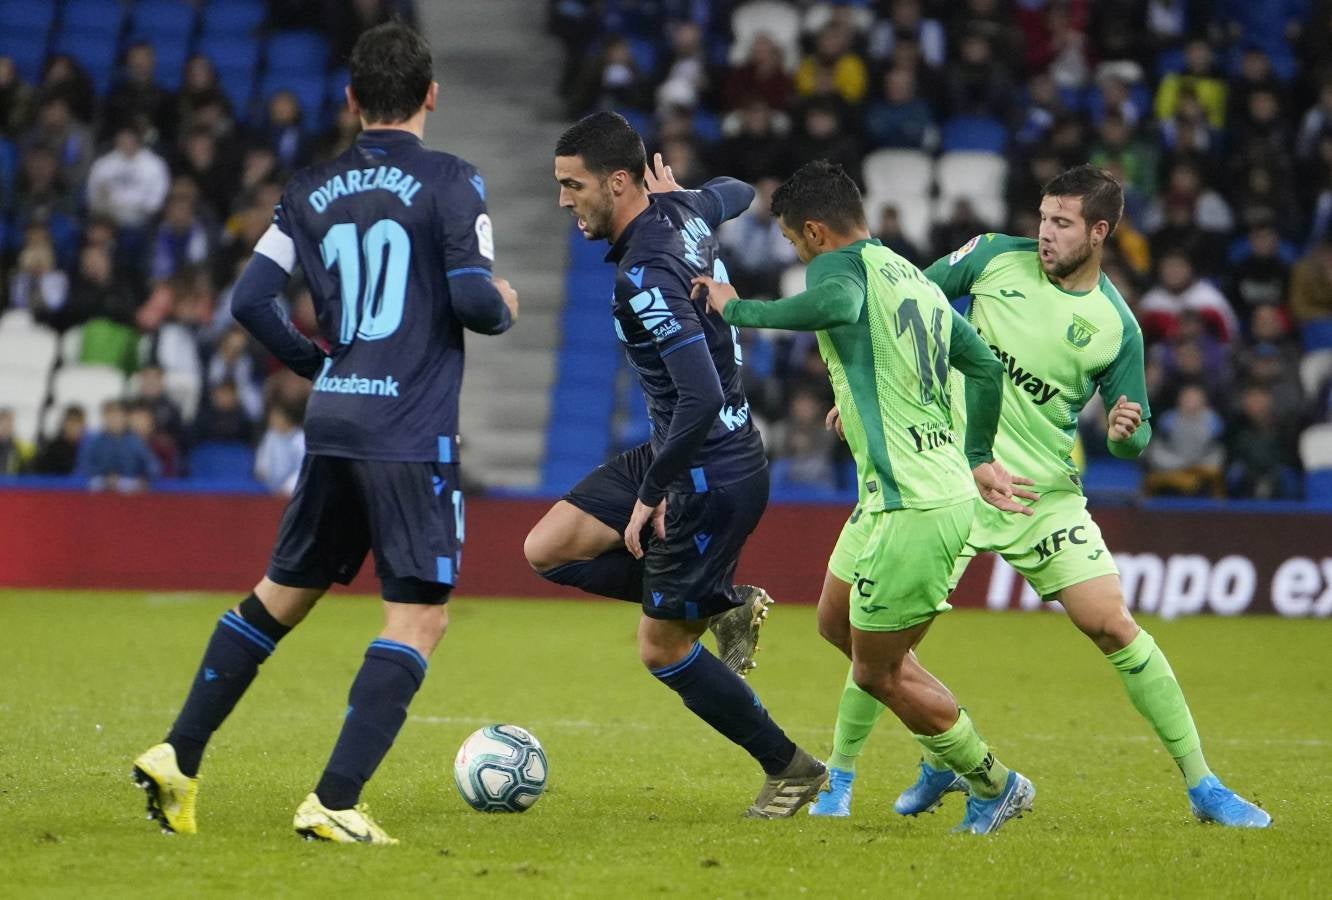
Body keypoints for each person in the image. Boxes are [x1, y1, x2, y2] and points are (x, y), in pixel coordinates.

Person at [131, 23, 519, 845]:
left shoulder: (309, 188)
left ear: (349, 101)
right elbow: (477, 304)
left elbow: (250, 301)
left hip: (338, 414)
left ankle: (178, 752)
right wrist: (509, 300)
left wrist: (321, 365)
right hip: (408, 428)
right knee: (418, 618)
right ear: (432, 96)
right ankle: (335, 801)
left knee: (279, 598)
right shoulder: (452, 179)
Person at [808, 164, 1271, 829]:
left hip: (1041, 496)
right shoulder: (993, 257)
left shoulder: (1118, 328)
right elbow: (905, 304)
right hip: (949, 478)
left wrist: (1126, 431)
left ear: (1100, 231)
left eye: (1062, 223)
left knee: (1113, 624)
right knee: (868, 633)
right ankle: (847, 777)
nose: (1045, 234)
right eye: (1044, 218)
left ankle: (1204, 786)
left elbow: (1131, 438)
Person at [693, 160, 1038, 835]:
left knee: (879, 673)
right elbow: (981, 366)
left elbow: (838, 307)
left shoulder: (836, 270)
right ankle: (940, 745)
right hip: (894, 493)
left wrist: (737, 307)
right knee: (835, 623)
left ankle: (993, 782)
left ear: (817, 232)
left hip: (917, 503)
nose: (798, 253)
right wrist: (971, 453)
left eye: (795, 243)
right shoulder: (909, 274)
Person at [525, 111, 828, 818]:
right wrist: (682, 198)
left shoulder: (646, 274)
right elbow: (740, 192)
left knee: (660, 649)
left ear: (621, 181)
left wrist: (652, 491)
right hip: (687, 444)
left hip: (707, 466)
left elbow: (699, 393)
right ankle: (721, 601)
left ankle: (790, 768)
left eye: (574, 186)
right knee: (547, 547)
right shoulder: (681, 211)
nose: (564, 200)